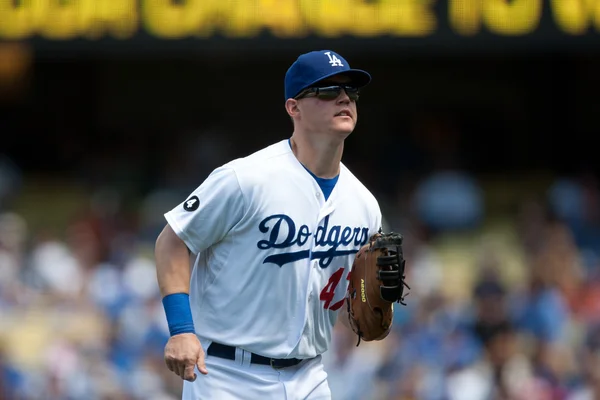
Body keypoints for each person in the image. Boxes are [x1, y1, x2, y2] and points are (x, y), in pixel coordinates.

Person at [155, 50, 388, 399]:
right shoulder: (245, 179)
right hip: (226, 375)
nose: (344, 98)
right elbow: (173, 240)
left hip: (309, 375)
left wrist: (373, 305)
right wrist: (181, 329)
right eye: (327, 90)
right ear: (293, 108)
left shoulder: (364, 204)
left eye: (351, 92)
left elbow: (346, 303)